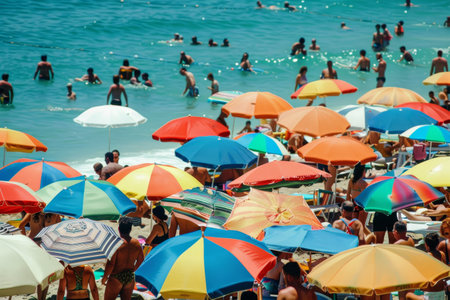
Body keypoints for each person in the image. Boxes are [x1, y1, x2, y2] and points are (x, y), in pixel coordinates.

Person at [102, 218, 144, 300]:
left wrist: (105, 277)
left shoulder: (117, 244)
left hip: (116, 277)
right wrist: (132, 270)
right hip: (129, 277)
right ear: (130, 229)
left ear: (118, 229)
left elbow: (111, 264)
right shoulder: (136, 243)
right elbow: (141, 261)